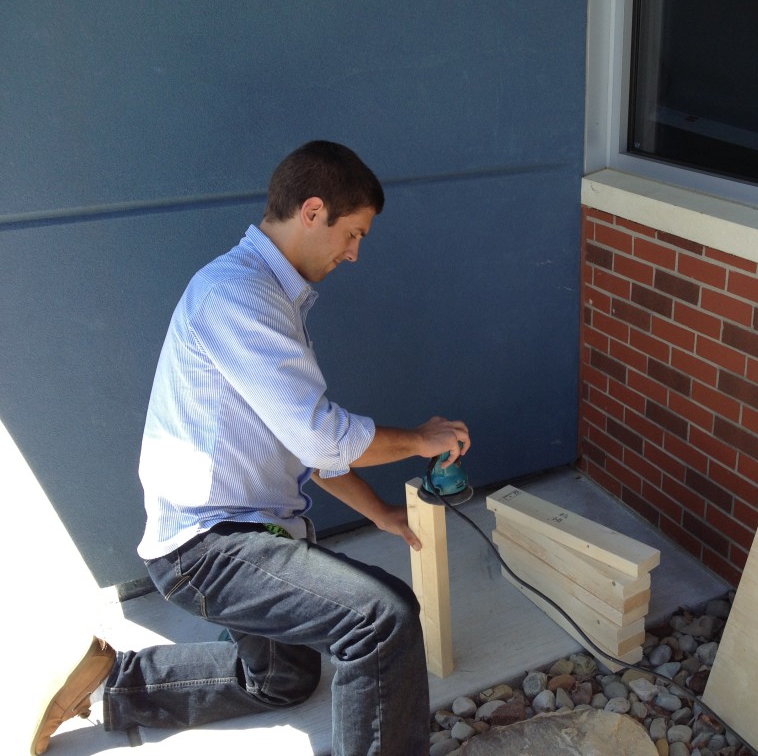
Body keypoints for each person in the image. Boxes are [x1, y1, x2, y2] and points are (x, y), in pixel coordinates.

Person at [32, 140, 469, 756]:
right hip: (209, 546)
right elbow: (322, 435)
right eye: (354, 233)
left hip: (248, 534)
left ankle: (115, 685)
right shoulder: (237, 297)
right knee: (381, 619)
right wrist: (418, 439)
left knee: (284, 679)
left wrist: (381, 514)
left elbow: (304, 448)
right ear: (313, 211)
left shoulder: (267, 299)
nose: (355, 253)